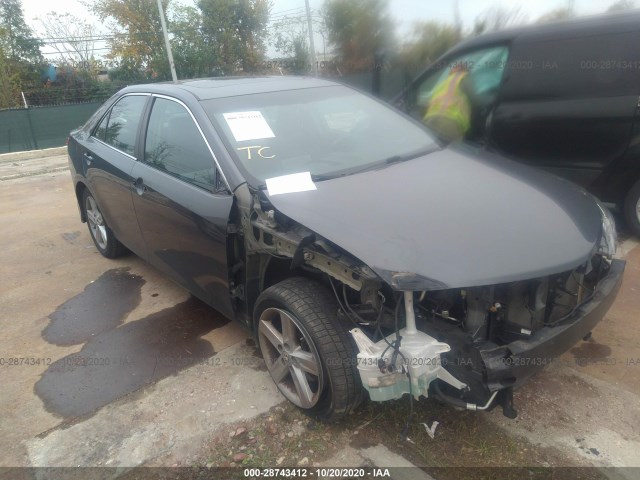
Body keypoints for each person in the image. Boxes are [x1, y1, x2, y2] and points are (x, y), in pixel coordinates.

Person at [423, 63, 475, 144]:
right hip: (450, 122)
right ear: (464, 70)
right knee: (451, 153)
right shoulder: (463, 78)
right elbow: (476, 99)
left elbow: (430, 101)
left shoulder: (443, 83)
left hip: (430, 120)